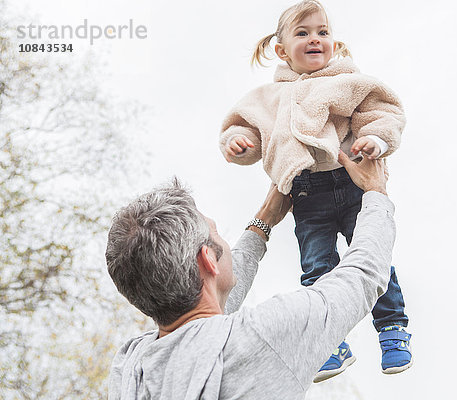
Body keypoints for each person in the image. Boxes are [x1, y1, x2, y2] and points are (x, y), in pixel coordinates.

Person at [219, 0, 411, 381]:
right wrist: (238, 141)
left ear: (335, 43)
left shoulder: (347, 82)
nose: (315, 40)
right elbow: (247, 127)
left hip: (351, 181)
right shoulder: (268, 98)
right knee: (316, 266)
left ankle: (393, 330)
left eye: (323, 32)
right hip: (306, 193)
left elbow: (384, 111)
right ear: (281, 49)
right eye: (303, 33)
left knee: (372, 258)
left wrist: (374, 138)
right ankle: (329, 343)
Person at [105, 152, 398, 399]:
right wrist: (376, 192)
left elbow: (209, 317)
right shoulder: (263, 335)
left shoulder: (130, 367)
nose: (224, 242)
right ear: (208, 259)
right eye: (217, 234)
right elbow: (362, 275)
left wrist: (264, 221)